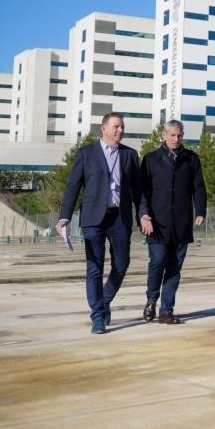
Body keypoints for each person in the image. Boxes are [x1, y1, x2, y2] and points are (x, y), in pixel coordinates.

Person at [55, 112, 144, 334]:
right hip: (93, 219)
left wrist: (142, 215)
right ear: (103, 129)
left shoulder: (130, 155)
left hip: (119, 218)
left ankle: (104, 300)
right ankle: (97, 315)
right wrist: (64, 217)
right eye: (116, 127)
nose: (120, 131)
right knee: (94, 266)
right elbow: (73, 187)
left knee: (122, 264)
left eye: (122, 127)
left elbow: (139, 192)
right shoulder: (86, 154)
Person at [138, 120, 207, 325]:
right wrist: (143, 215)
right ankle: (151, 298)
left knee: (174, 269)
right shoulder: (151, 160)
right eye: (172, 135)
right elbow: (142, 192)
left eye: (179, 135)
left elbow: (199, 187)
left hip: (182, 223)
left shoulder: (191, 159)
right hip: (156, 224)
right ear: (164, 136)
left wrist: (200, 210)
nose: (176, 139)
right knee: (158, 261)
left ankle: (166, 311)